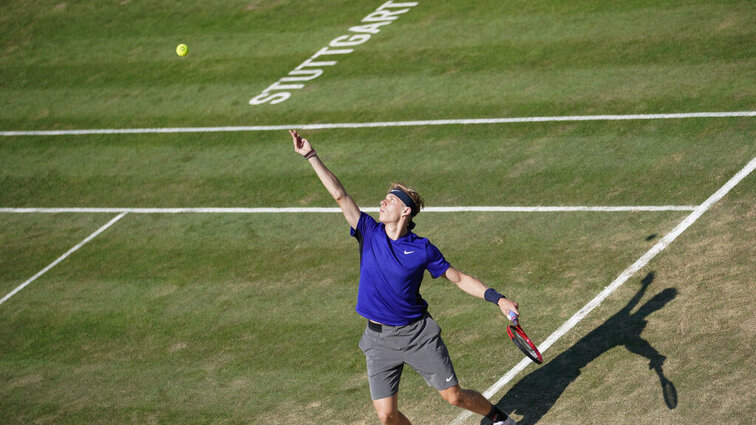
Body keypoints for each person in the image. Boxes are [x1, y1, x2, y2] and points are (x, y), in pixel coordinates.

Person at [289, 130, 519, 425]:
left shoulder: (422, 249)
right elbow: (340, 195)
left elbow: (458, 278)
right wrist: (311, 155)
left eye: (389, 201)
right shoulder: (368, 231)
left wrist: (497, 299)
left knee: (454, 397)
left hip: (416, 335)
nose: (382, 204)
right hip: (377, 339)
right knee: (387, 417)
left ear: (405, 211)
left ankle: (496, 417)